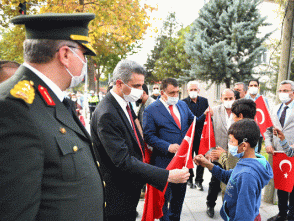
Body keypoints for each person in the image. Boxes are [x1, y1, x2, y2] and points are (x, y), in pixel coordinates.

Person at [0, 13, 105, 220]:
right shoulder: (14, 108)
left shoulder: (50, 99)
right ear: (65, 54)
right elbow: (13, 211)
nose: (85, 62)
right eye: (84, 54)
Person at [90, 61, 189, 221]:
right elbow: (122, 161)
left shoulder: (124, 104)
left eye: (142, 85)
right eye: (136, 85)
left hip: (129, 189)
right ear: (119, 83)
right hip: (117, 195)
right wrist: (167, 176)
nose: (140, 91)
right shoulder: (107, 113)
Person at [143, 78, 206, 221]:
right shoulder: (151, 110)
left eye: (177, 92)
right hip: (163, 163)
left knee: (178, 200)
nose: (175, 95)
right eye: (172, 93)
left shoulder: (182, 105)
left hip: (182, 163)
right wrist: (167, 146)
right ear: (162, 92)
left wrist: (206, 115)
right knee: (163, 201)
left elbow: (193, 121)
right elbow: (148, 136)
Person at [194, 119, 273, 221]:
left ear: (244, 145)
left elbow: (244, 216)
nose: (229, 144)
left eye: (232, 141)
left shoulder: (247, 175)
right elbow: (230, 177)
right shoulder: (246, 162)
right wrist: (208, 164)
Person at [265, 80, 294, 221]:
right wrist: (268, 143)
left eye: (285, 91)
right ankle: (282, 214)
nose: (282, 93)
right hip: (278, 155)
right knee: (281, 186)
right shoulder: (274, 109)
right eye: (280, 91)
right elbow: (267, 131)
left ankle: (292, 217)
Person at [204, 88, 235, 218]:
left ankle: (228, 207)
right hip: (217, 153)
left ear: (235, 98)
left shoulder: (238, 112)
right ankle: (210, 205)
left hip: (232, 155)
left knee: (231, 182)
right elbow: (208, 132)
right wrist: (209, 152)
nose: (228, 101)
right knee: (215, 181)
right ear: (221, 99)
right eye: (225, 98)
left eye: (231, 98)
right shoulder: (214, 110)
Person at [182, 80, 209, 191]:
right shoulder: (183, 103)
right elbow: (191, 121)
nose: (193, 91)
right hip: (189, 135)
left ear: (199, 90)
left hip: (201, 135)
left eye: (195, 89)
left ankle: (199, 181)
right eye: (191, 89)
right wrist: (204, 115)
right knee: (188, 157)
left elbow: (207, 120)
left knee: (201, 158)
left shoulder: (204, 101)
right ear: (187, 91)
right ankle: (190, 178)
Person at [217, 98, 257, 172]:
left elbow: (232, 167)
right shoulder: (254, 129)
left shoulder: (239, 133)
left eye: (233, 115)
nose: (232, 118)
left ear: (240, 116)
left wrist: (222, 155)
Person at [245, 79, 269, 153]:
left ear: (258, 87)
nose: (253, 87)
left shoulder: (263, 99)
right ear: (248, 87)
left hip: (259, 132)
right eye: (251, 85)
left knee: (257, 154)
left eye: (255, 85)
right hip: (246, 131)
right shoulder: (244, 99)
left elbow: (266, 115)